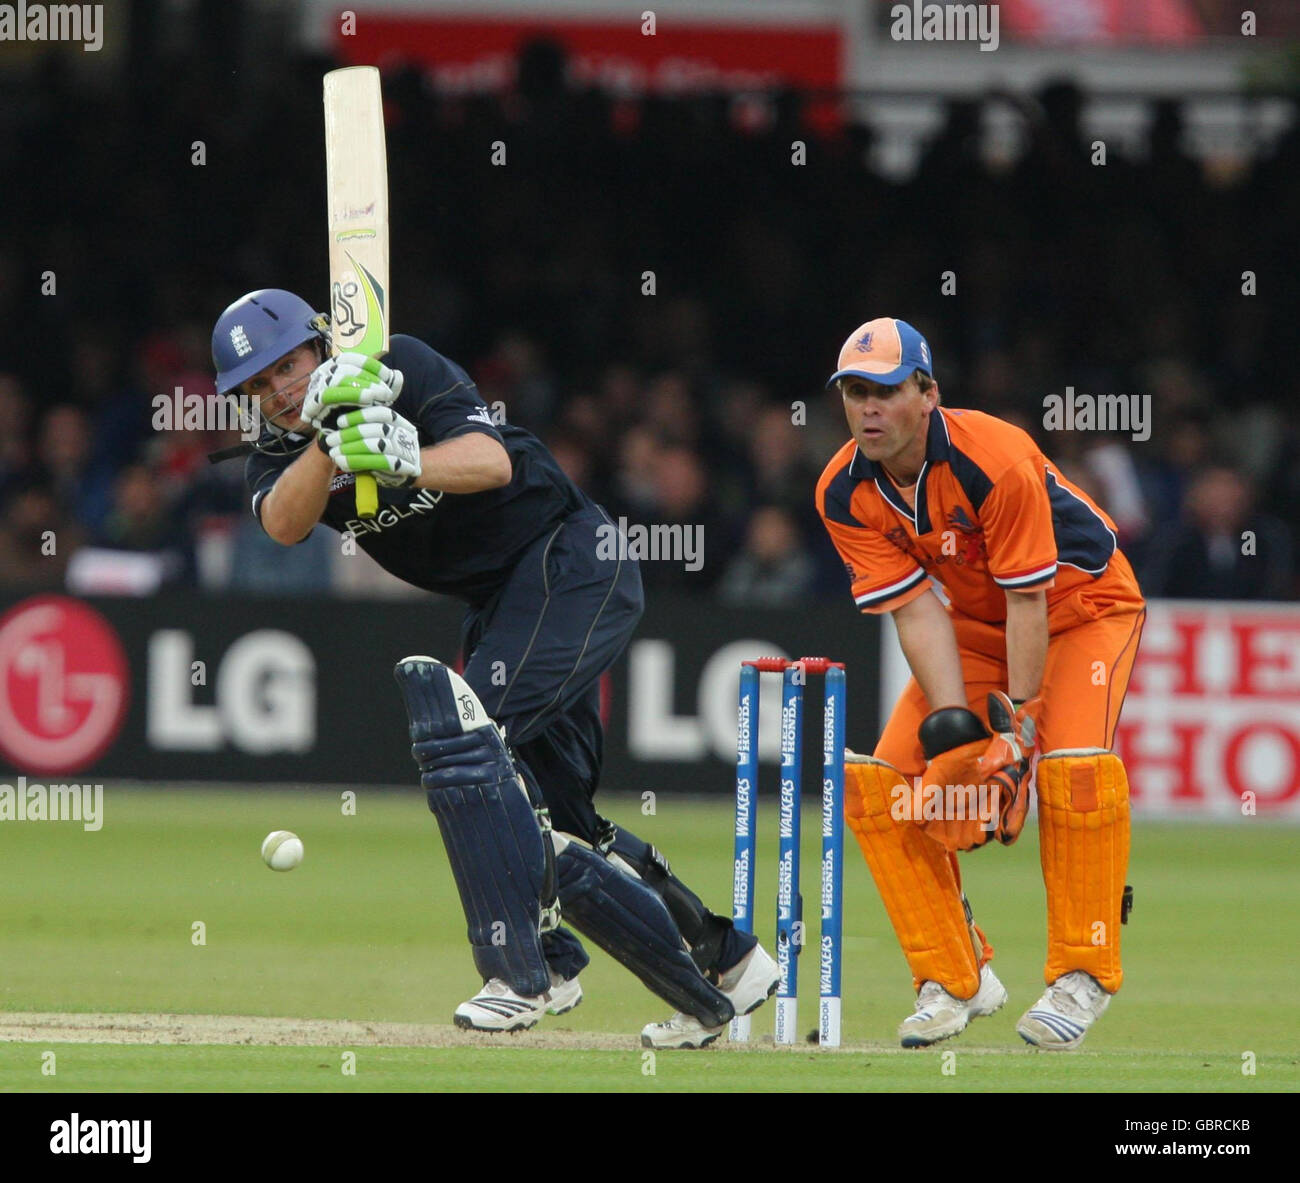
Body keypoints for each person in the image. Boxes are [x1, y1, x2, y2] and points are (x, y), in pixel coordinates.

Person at [210, 289, 778, 1048]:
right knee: (560, 822)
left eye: (286, 366)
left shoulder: (399, 365)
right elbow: (283, 523)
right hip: (498, 602)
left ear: (318, 343)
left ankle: (527, 969)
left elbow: (492, 461)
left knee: (463, 743)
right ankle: (731, 964)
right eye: (258, 383)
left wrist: (406, 456)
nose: (277, 390)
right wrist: (328, 437)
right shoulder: (282, 450)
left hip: (569, 556)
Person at [814, 317, 1145, 1050]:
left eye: (887, 391)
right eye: (855, 392)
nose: (868, 408)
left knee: (1073, 770)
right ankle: (954, 979)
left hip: (1081, 606)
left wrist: (1018, 731)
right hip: (973, 622)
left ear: (928, 392)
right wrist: (961, 725)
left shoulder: (993, 457)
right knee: (877, 783)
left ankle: (1082, 975)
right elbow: (914, 611)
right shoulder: (842, 490)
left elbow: (1029, 596)